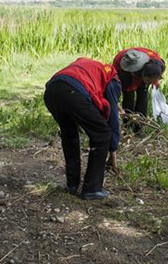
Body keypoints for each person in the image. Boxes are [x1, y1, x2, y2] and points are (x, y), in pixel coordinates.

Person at [44, 57, 122, 200]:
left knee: (69, 134)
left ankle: (72, 184)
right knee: (102, 134)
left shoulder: (92, 66)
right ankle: (92, 189)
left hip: (52, 91)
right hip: (73, 92)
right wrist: (112, 151)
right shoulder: (112, 78)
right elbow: (112, 118)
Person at [112, 47, 165, 119]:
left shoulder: (156, 62)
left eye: (150, 80)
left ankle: (140, 123)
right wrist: (118, 105)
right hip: (125, 74)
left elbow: (157, 73)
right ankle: (128, 121)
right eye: (149, 80)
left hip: (145, 73)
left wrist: (155, 81)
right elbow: (113, 89)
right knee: (129, 97)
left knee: (143, 94)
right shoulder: (119, 67)